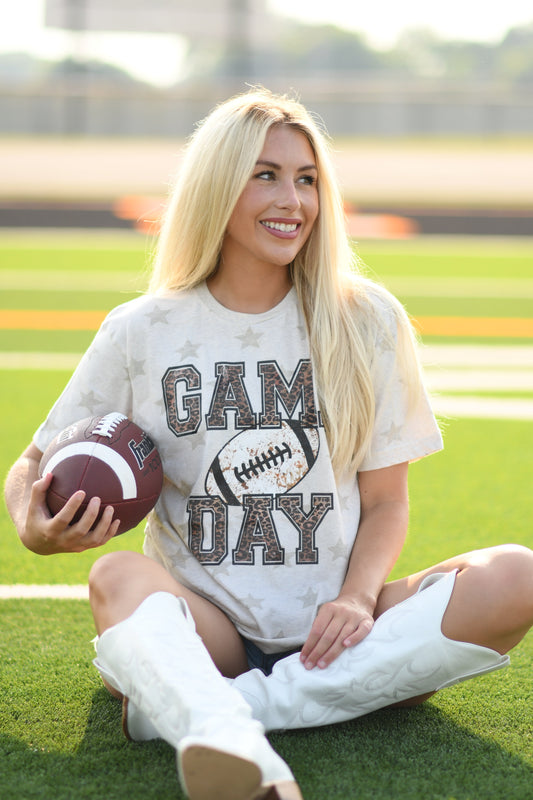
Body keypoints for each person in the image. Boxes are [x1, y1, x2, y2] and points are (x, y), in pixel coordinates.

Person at [5, 88, 533, 800]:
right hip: (208, 631)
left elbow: (385, 503)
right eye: (265, 174)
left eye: (306, 178)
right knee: (115, 580)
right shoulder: (143, 329)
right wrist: (33, 524)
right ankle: (235, 714)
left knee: (517, 575)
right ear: (215, 186)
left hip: (340, 631)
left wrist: (353, 600)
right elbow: (35, 461)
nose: (293, 199)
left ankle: (220, 716)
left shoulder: (365, 319)